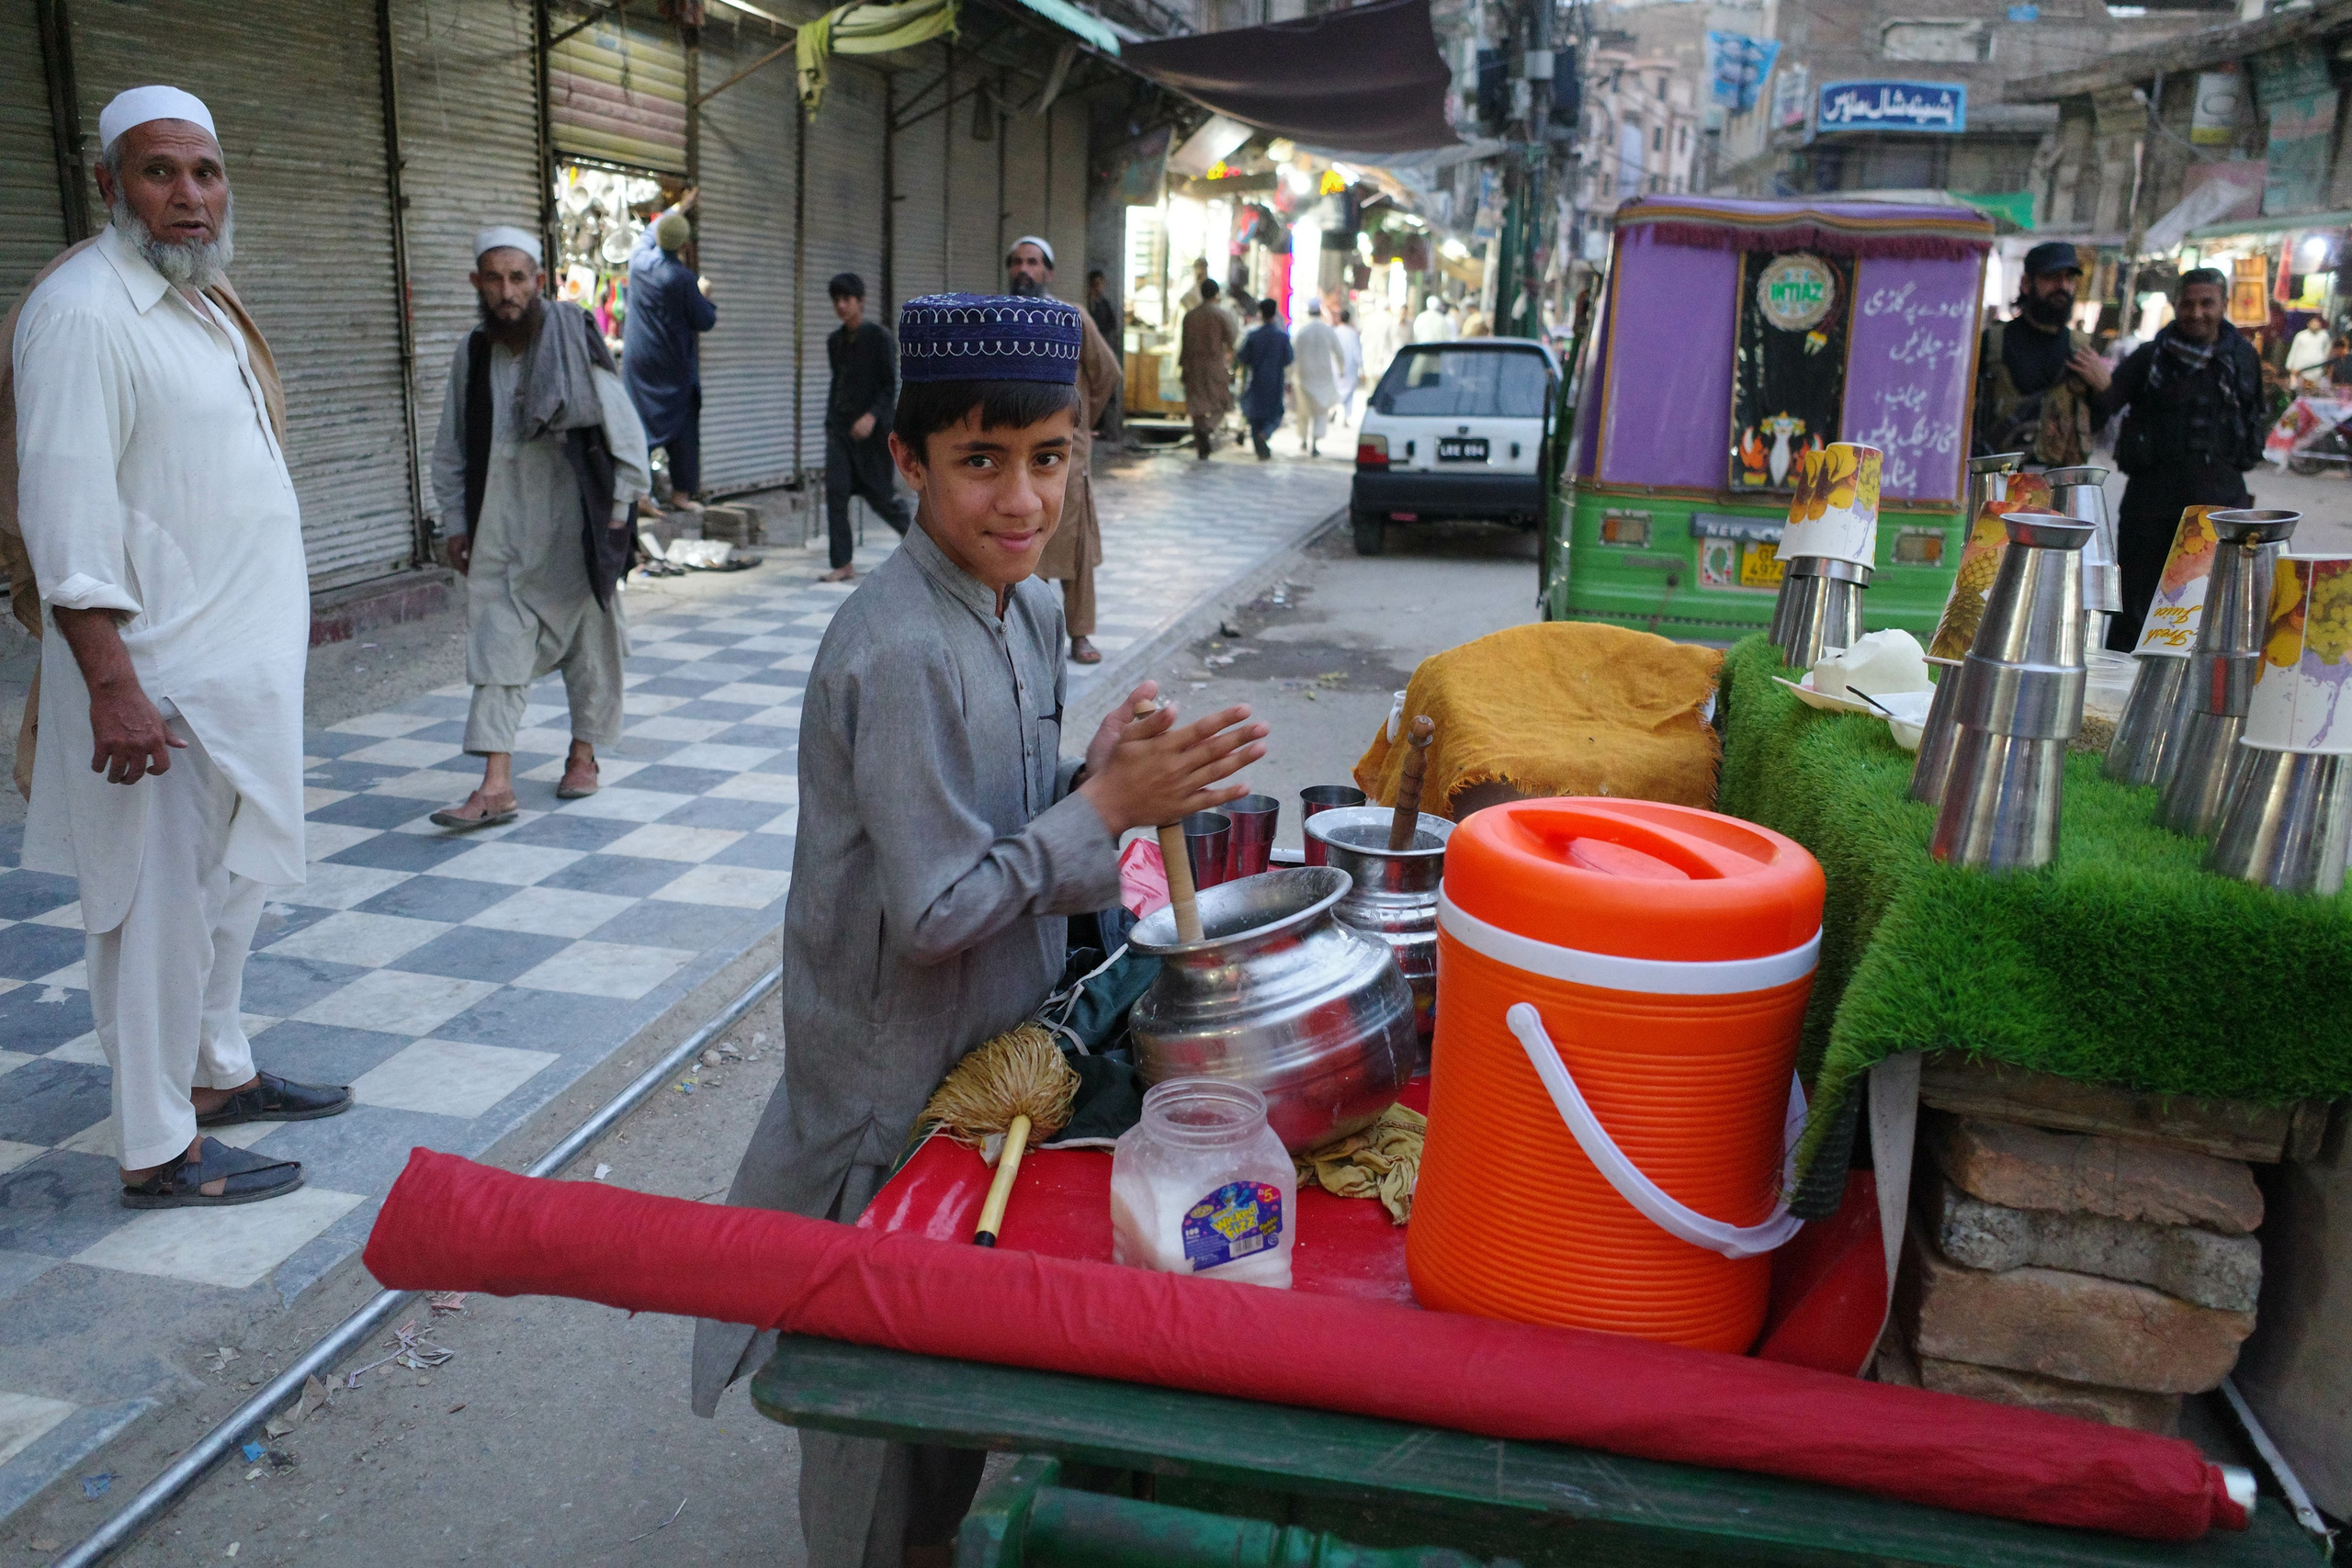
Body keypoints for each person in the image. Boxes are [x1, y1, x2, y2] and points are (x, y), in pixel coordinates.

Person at [689, 290, 1269, 1568]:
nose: (1020, 500)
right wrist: (1109, 809)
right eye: (979, 462)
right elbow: (942, 905)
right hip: (887, 1085)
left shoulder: (1034, 611)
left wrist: (1087, 775)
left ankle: (937, 1541)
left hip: (985, 1067)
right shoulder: (897, 647)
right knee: (869, 1402)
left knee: (954, 1359)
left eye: (1049, 457)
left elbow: (998, 817)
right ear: (907, 462)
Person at [13, 85, 350, 1207]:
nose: (189, 197)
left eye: (204, 173)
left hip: (236, 680)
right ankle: (157, 1147)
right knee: (151, 912)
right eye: (160, 174)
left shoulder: (195, 300)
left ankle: (215, 1076)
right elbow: (63, 520)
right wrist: (115, 688)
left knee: (226, 897)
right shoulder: (84, 312)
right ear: (110, 185)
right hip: (156, 687)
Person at [427, 227, 652, 825]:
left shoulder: (572, 341)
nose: (508, 292)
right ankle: (495, 784)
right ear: (477, 283)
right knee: (496, 643)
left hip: (574, 524)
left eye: (519, 278)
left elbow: (628, 438)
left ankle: (584, 754)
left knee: (592, 643)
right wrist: (455, 521)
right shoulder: (473, 354)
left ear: (539, 281)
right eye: (495, 279)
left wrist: (617, 520)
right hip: (499, 528)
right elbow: (450, 448)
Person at [2104, 268, 2267, 650]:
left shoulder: (2243, 359)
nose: (2197, 313)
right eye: (2188, 304)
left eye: (2206, 303)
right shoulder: (2149, 357)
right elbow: (2107, 402)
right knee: (2134, 614)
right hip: (2150, 507)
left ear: (2223, 304)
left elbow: (2253, 421)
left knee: (2210, 615)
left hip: (2219, 506)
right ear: (2176, 306)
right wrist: (2098, 382)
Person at [1005, 236, 1120, 665]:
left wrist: (1082, 424)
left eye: (1033, 263)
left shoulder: (1071, 318)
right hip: (1016, 452)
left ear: (1048, 272)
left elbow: (1107, 372)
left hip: (1066, 453)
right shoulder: (998, 320)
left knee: (1074, 542)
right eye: (1016, 262)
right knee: (1019, 536)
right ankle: (1024, 635)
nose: (1024, 270)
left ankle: (1081, 635)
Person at [1973, 242, 2110, 467]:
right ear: (2027, 284)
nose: (2063, 286)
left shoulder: (2080, 349)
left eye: (2069, 278)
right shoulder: (1993, 343)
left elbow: (2094, 424)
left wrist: (2104, 389)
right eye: (2052, 277)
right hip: (2001, 485)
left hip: (2058, 486)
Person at [621, 199, 716, 511]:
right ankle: (680, 496)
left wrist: (679, 206)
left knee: (638, 427)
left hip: (639, 363)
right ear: (685, 245)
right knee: (684, 425)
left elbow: (650, 231)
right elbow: (705, 320)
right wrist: (704, 293)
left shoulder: (638, 261)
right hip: (672, 367)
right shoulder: (683, 279)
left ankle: (641, 496)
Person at [821, 271, 913, 582]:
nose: (841, 306)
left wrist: (872, 417)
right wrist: (832, 421)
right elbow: (839, 383)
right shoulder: (835, 341)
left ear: (860, 301)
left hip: (873, 432)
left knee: (881, 496)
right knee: (836, 492)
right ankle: (842, 562)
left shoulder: (879, 338)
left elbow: (889, 386)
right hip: (840, 431)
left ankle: (922, 546)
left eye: (847, 300)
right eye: (837, 301)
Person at [1178, 276, 1238, 460]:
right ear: (1216, 294)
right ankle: (1208, 428)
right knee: (1222, 403)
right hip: (1214, 365)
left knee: (1196, 404)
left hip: (1193, 365)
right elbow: (1231, 340)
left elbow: (1184, 343)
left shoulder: (1190, 316)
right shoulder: (1221, 315)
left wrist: (1183, 367)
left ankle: (1200, 433)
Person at [1238, 297, 1293, 459]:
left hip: (1256, 380)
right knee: (1275, 413)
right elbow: (1288, 358)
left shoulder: (1253, 336)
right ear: (1275, 313)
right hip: (1275, 381)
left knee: (1255, 414)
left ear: (1260, 314)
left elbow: (1243, 357)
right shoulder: (1282, 338)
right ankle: (1265, 434)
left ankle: (1259, 441)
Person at [1289, 299, 1345, 457]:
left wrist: (1289, 376)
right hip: (1323, 377)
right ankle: (1314, 442)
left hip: (1304, 377)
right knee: (1321, 412)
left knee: (1303, 411)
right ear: (1320, 312)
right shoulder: (1327, 331)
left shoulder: (1302, 332)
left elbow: (1293, 356)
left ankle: (1303, 440)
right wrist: (1342, 369)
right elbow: (1339, 352)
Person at [1084, 266, 1125, 449]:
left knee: (1109, 393)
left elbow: (1111, 328)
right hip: (1087, 356)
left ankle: (1109, 429)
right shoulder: (1086, 306)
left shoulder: (1104, 305)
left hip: (1102, 352)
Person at [1334, 305, 1365, 423]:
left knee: (1336, 389)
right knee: (1348, 391)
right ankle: (1345, 418)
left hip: (1335, 366)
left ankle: (1333, 409)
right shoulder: (1353, 334)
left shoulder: (1334, 332)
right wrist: (1361, 367)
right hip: (1350, 367)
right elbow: (1357, 351)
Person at [2287, 314, 2335, 382]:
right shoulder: (2301, 335)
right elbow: (2293, 351)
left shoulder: (2324, 336)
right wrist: (2290, 366)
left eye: (2317, 323)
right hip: (2300, 368)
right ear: (2308, 324)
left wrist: (2324, 364)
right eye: (2313, 322)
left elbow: (2327, 350)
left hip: (2316, 369)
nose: (2315, 324)